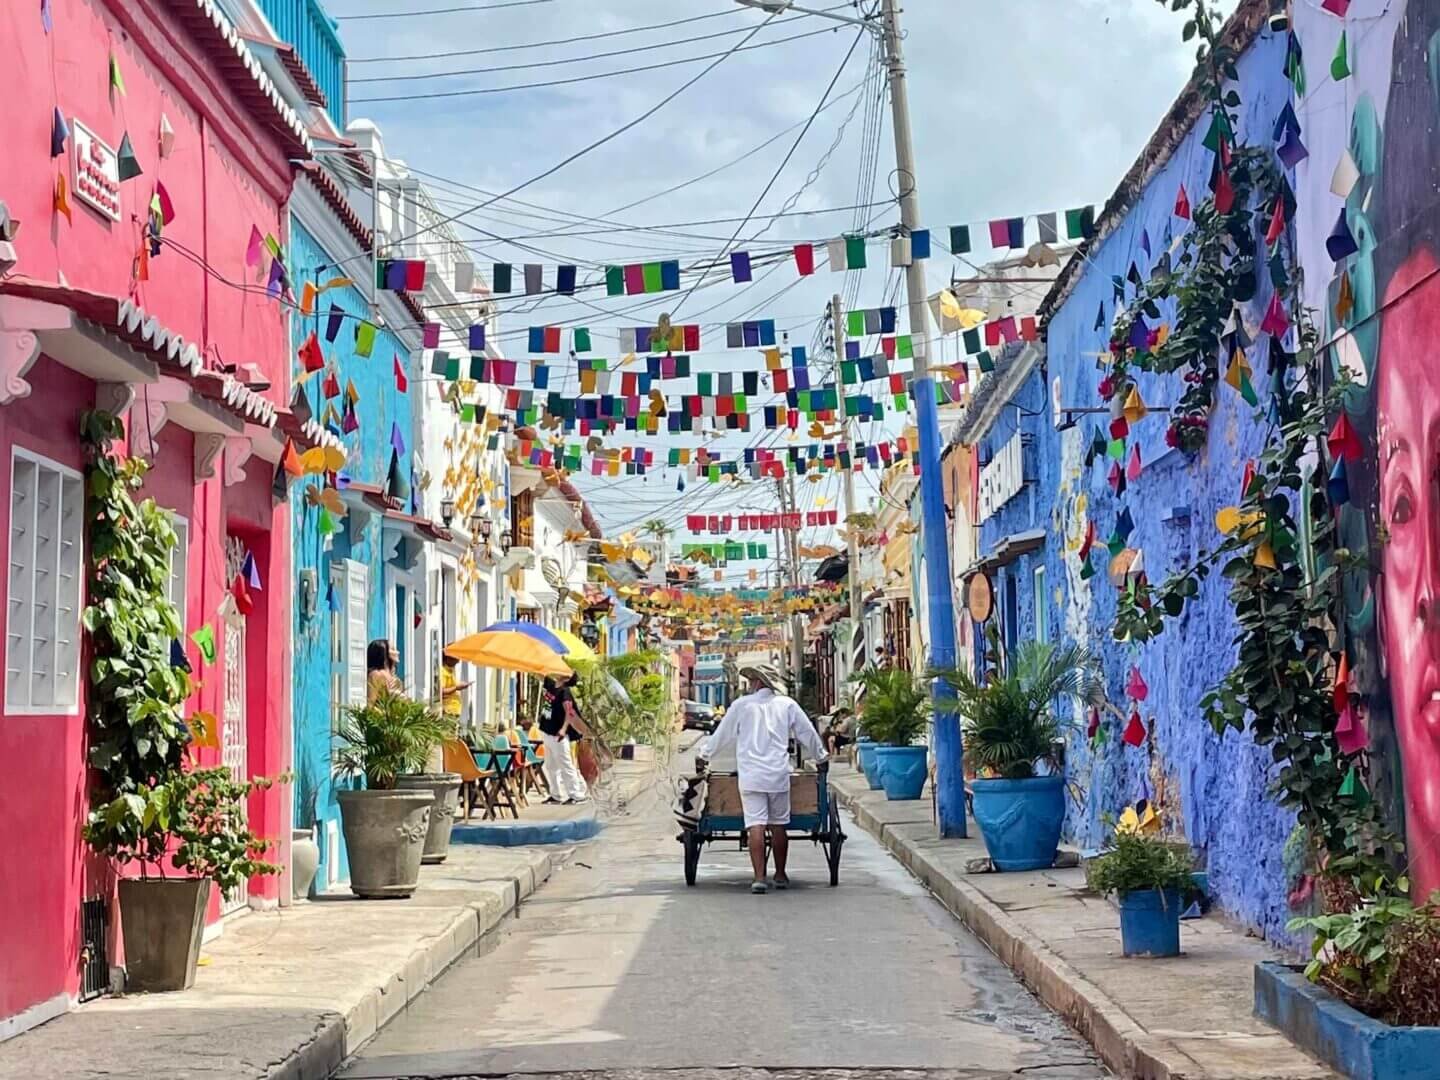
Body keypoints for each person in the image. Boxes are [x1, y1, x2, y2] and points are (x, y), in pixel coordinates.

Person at [695, 662, 827, 893]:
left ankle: (759, 878)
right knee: (778, 825)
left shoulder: (741, 706)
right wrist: (821, 757)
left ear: (757, 682)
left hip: (751, 776)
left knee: (755, 824)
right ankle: (781, 874)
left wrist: (704, 755)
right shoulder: (787, 705)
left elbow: (722, 735)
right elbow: (807, 733)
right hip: (778, 775)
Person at [539, 671, 590, 804]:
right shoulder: (552, 685)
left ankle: (577, 795)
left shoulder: (564, 692)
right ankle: (556, 795)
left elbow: (569, 712)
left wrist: (563, 729)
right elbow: (539, 674)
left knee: (565, 765)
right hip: (547, 731)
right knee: (551, 766)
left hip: (558, 735)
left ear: (567, 677)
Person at [439, 656, 471, 726]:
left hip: (454, 709)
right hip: (448, 710)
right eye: (456, 660)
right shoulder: (443, 672)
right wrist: (456, 688)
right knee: (449, 735)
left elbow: (451, 686)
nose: (458, 662)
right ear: (448, 659)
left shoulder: (451, 670)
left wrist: (459, 685)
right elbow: (441, 691)